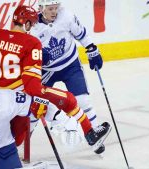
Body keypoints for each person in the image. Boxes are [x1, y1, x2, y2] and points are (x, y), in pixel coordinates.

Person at [0, 5, 111, 154]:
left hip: (2, 97)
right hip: (23, 97)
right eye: (31, 24)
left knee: (15, 131)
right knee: (67, 101)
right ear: (27, 24)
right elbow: (32, 85)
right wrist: (47, 94)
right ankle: (88, 133)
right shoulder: (31, 41)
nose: (32, 27)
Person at [30, 0, 105, 153]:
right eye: (50, 9)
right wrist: (36, 57)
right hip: (46, 71)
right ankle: (23, 139)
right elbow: (28, 53)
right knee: (36, 104)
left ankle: (94, 135)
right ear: (41, 8)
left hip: (70, 65)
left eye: (56, 8)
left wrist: (91, 49)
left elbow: (81, 33)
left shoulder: (66, 16)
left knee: (83, 100)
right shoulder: (33, 27)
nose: (54, 12)